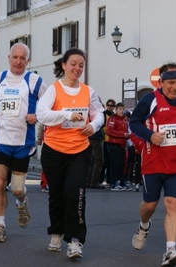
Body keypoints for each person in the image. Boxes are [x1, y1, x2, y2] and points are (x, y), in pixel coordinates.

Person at [129, 62, 176, 266]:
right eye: (171, 82)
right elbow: (133, 122)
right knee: (149, 205)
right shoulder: (150, 99)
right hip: (153, 162)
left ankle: (170, 250)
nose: (175, 87)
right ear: (161, 82)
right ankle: (144, 225)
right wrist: (150, 135)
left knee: (173, 204)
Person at [36, 48, 104, 259]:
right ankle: (56, 232)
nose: (77, 68)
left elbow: (99, 113)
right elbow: (42, 114)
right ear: (64, 65)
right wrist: (66, 114)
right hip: (54, 150)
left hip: (79, 150)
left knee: (76, 193)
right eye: (73, 64)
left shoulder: (88, 91)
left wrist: (93, 126)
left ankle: (75, 240)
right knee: (57, 195)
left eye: (81, 65)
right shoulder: (54, 90)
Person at [0, 43, 47, 242]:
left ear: (28, 60)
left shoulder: (35, 81)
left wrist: (38, 117)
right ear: (9, 57)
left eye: (22, 58)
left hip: (23, 142)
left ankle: (21, 201)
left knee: (17, 188)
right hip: (1, 139)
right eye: (15, 57)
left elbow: (48, 105)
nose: (18, 61)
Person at [107, 102, 131, 191]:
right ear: (116, 110)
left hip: (122, 145)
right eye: (120, 109)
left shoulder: (124, 121)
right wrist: (123, 134)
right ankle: (114, 183)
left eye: (123, 109)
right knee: (115, 165)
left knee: (122, 165)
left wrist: (128, 136)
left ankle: (121, 182)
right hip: (114, 145)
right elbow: (109, 131)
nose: (122, 111)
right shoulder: (113, 119)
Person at [86, 96, 105, 189]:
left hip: (90, 136)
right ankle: (94, 181)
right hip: (96, 136)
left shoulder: (88, 110)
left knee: (92, 160)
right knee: (99, 160)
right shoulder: (97, 111)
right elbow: (101, 122)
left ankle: (89, 180)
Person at [99, 99, 116, 185]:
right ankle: (100, 180)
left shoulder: (114, 115)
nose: (110, 107)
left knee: (110, 162)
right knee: (103, 161)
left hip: (112, 141)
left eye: (111, 105)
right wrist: (110, 130)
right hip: (104, 140)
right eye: (108, 105)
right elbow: (102, 127)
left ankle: (109, 180)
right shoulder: (103, 114)